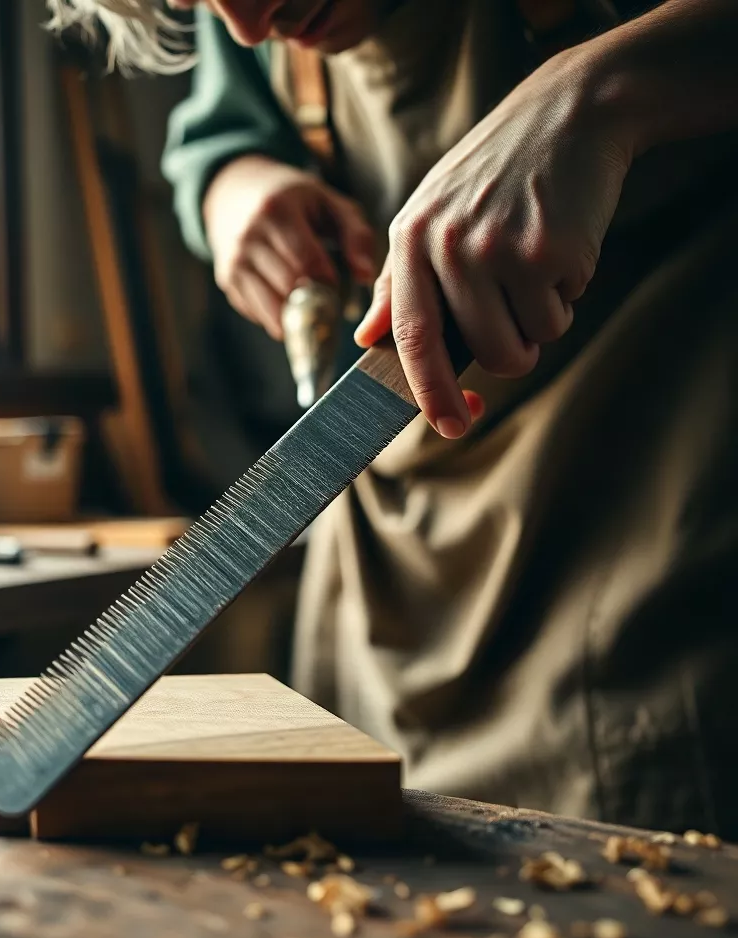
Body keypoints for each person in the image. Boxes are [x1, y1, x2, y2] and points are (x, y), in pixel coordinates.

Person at [47, 0, 738, 836]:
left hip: (648, 502)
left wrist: (598, 92)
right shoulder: (253, 22)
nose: (247, 30)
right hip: (384, 553)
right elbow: (218, 135)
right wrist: (236, 189)